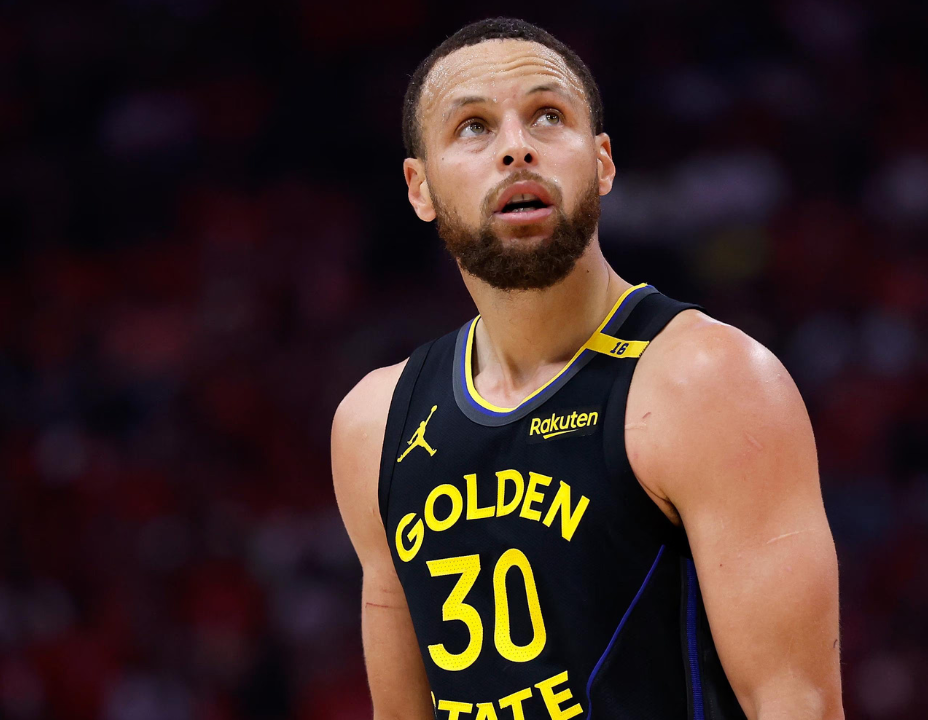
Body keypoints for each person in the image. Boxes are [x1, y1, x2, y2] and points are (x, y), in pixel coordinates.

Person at [331, 17, 843, 720]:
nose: (516, 148)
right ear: (419, 189)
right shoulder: (374, 423)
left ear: (602, 163)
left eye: (548, 116)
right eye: (473, 127)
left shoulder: (711, 381)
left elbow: (797, 704)